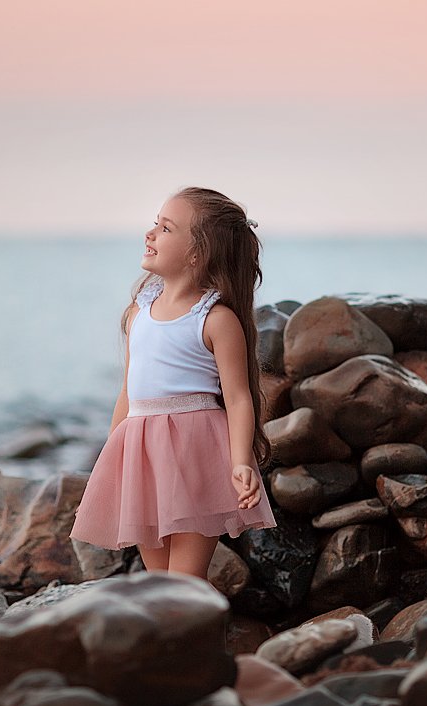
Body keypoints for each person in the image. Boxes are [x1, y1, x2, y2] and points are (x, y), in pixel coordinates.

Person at [69, 186, 277, 580]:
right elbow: (128, 394)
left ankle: (200, 639)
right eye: (155, 224)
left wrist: (240, 460)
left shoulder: (214, 319)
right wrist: (110, 468)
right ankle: (181, 640)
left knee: (184, 582)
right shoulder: (138, 315)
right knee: (160, 584)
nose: (150, 234)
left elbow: (237, 398)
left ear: (198, 253)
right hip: (143, 458)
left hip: (196, 454)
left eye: (165, 228)